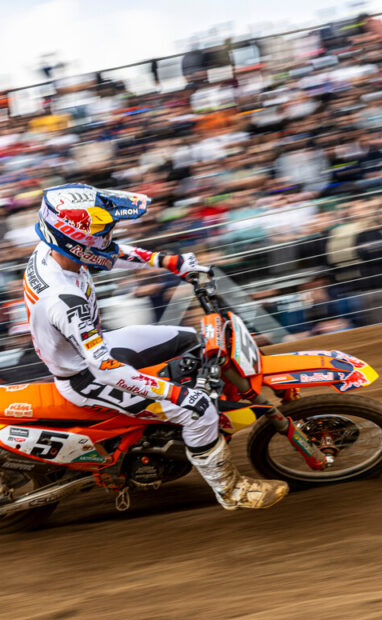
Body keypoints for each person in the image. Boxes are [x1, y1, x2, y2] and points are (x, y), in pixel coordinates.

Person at [23, 183, 288, 510]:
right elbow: (104, 369)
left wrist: (169, 261)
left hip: (93, 348)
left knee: (190, 339)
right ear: (77, 240)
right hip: (86, 376)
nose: (110, 235)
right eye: (103, 232)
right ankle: (230, 490)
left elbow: (109, 254)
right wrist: (174, 393)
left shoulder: (54, 249)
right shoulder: (64, 300)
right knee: (198, 409)